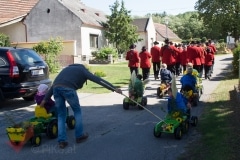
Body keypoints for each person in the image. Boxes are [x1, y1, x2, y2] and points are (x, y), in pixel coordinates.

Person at [40, 64, 122, 149]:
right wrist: (114, 88)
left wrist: (44, 100)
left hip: (56, 89)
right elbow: (98, 80)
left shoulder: (65, 70)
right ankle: (79, 136)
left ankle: (62, 141)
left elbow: (55, 85)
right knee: (77, 111)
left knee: (61, 115)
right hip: (68, 89)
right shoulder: (83, 70)